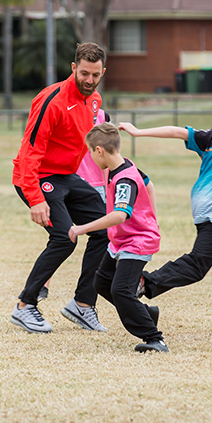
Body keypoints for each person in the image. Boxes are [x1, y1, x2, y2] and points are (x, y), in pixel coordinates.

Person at [118, 105, 212, 340]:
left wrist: (138, 131)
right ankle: (146, 281)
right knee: (198, 265)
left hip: (201, 203)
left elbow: (177, 131)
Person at [11, 42, 108, 334]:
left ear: (102, 72)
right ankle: (25, 307)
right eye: (84, 73)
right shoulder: (52, 100)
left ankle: (82, 305)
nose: (89, 80)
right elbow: (30, 150)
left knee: (106, 229)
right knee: (65, 238)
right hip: (38, 177)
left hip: (66, 176)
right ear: (74, 68)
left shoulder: (94, 100)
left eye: (95, 74)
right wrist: (36, 198)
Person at [69, 123, 167, 353]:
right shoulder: (127, 165)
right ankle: (146, 314)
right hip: (122, 241)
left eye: (91, 152)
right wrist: (153, 216)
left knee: (120, 290)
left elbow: (119, 215)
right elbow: (149, 183)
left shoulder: (125, 179)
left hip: (137, 242)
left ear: (99, 150)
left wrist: (82, 228)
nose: (91, 158)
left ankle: (154, 338)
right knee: (102, 282)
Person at [37, 109, 111, 302]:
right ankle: (42, 284)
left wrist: (107, 186)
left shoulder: (103, 116)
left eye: (95, 75)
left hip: (95, 187)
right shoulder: (64, 112)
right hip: (68, 184)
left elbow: (109, 155)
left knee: (104, 235)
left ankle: (86, 298)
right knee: (62, 236)